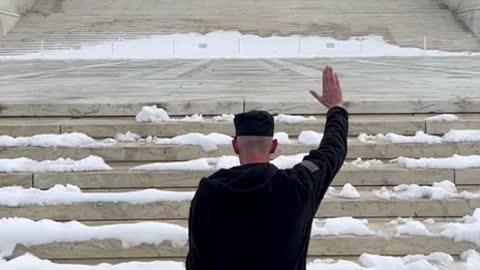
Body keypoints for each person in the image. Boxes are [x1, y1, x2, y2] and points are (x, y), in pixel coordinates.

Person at [186, 66, 349, 270]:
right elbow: (332, 151)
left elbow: (196, 262)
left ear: (235, 146)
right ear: (273, 146)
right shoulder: (299, 184)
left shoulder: (209, 191)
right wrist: (336, 109)